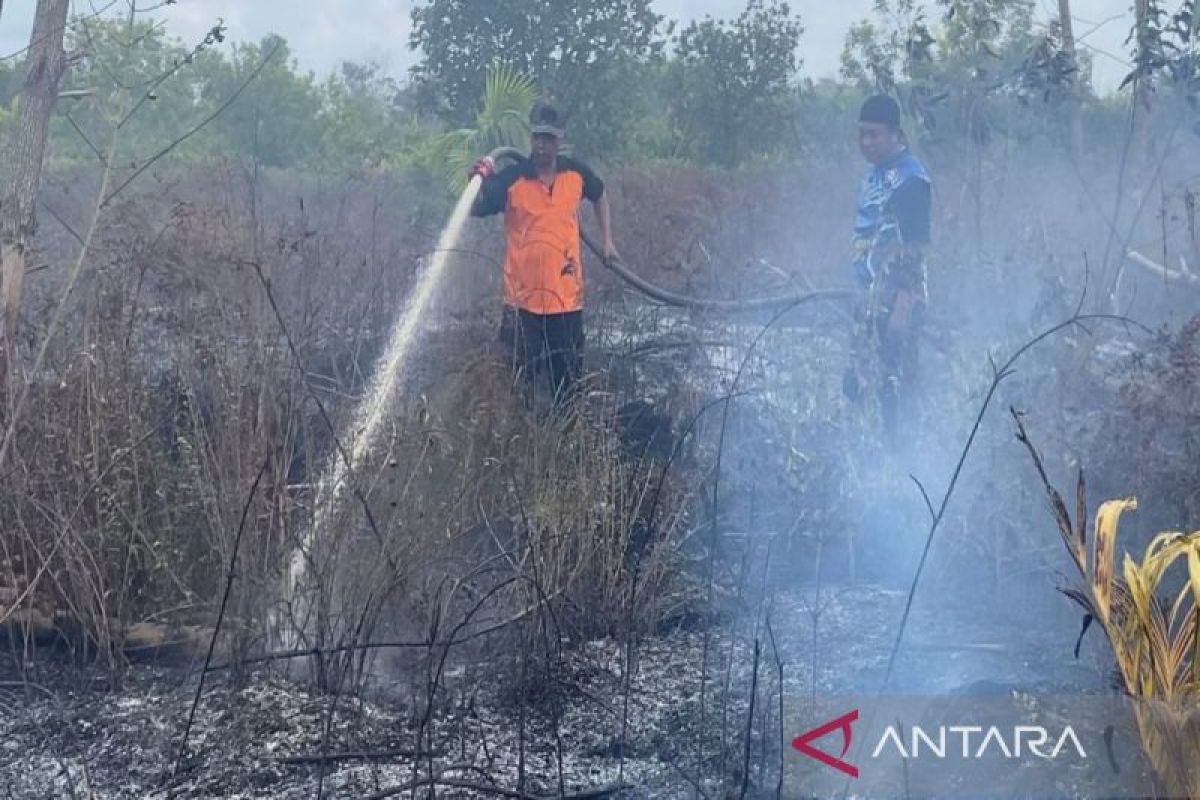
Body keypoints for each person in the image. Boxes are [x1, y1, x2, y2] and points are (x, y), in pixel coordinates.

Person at [468, 100, 619, 405]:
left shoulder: (575, 175)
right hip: (521, 305)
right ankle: (521, 443)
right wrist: (476, 179)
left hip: (566, 302)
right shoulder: (511, 179)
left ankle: (562, 441)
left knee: (568, 387)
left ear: (559, 140)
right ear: (531, 138)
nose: (542, 146)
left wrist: (608, 242)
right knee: (515, 384)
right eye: (537, 137)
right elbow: (477, 206)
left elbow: (600, 194)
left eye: (548, 139)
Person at [844, 94, 932, 445]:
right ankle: (863, 455)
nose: (867, 143)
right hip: (868, 300)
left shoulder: (912, 180)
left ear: (895, 134)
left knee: (894, 388)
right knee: (859, 382)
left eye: (874, 135)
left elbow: (914, 250)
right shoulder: (872, 177)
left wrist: (902, 309)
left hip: (897, 303)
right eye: (862, 135)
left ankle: (901, 464)